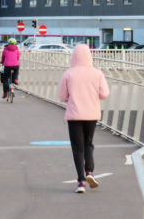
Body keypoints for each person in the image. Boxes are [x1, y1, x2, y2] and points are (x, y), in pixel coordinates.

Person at [58, 44, 110, 194]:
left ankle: (81, 182)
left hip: (74, 115)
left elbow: (62, 96)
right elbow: (104, 93)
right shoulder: (97, 73)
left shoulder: (68, 73)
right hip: (92, 115)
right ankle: (90, 172)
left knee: (77, 147)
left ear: (73, 56)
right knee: (88, 144)